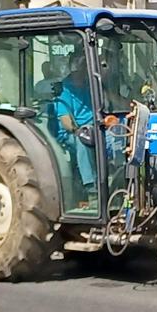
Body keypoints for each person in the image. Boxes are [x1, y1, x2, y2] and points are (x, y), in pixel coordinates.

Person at [56, 53, 97, 206]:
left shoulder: (92, 84)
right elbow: (65, 120)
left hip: (96, 127)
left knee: (116, 139)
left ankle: (119, 182)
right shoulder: (66, 90)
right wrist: (77, 131)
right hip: (73, 132)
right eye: (83, 66)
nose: (85, 70)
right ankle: (91, 188)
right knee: (83, 141)